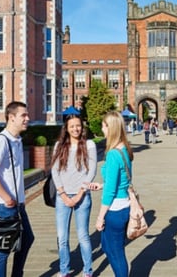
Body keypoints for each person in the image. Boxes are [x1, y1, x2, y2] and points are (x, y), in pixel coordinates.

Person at [0, 101, 35, 277]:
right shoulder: (1, 141)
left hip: (16, 203)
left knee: (27, 239)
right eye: (23, 115)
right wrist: (7, 198)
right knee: (2, 250)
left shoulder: (17, 140)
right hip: (3, 205)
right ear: (11, 118)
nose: (27, 118)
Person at [87, 111, 133, 277]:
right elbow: (120, 180)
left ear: (111, 128)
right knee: (107, 247)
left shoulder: (113, 154)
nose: (102, 128)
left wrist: (100, 217)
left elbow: (111, 192)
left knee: (116, 252)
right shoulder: (123, 149)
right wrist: (102, 185)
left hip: (115, 209)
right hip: (123, 204)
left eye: (104, 125)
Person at [50, 115, 97, 277]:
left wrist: (79, 194)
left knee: (83, 236)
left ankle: (87, 271)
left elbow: (91, 171)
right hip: (62, 197)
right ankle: (64, 270)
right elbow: (54, 171)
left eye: (78, 126)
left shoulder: (89, 145)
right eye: (72, 126)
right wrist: (62, 194)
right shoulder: (59, 145)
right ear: (66, 128)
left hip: (82, 197)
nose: (75, 129)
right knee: (62, 237)